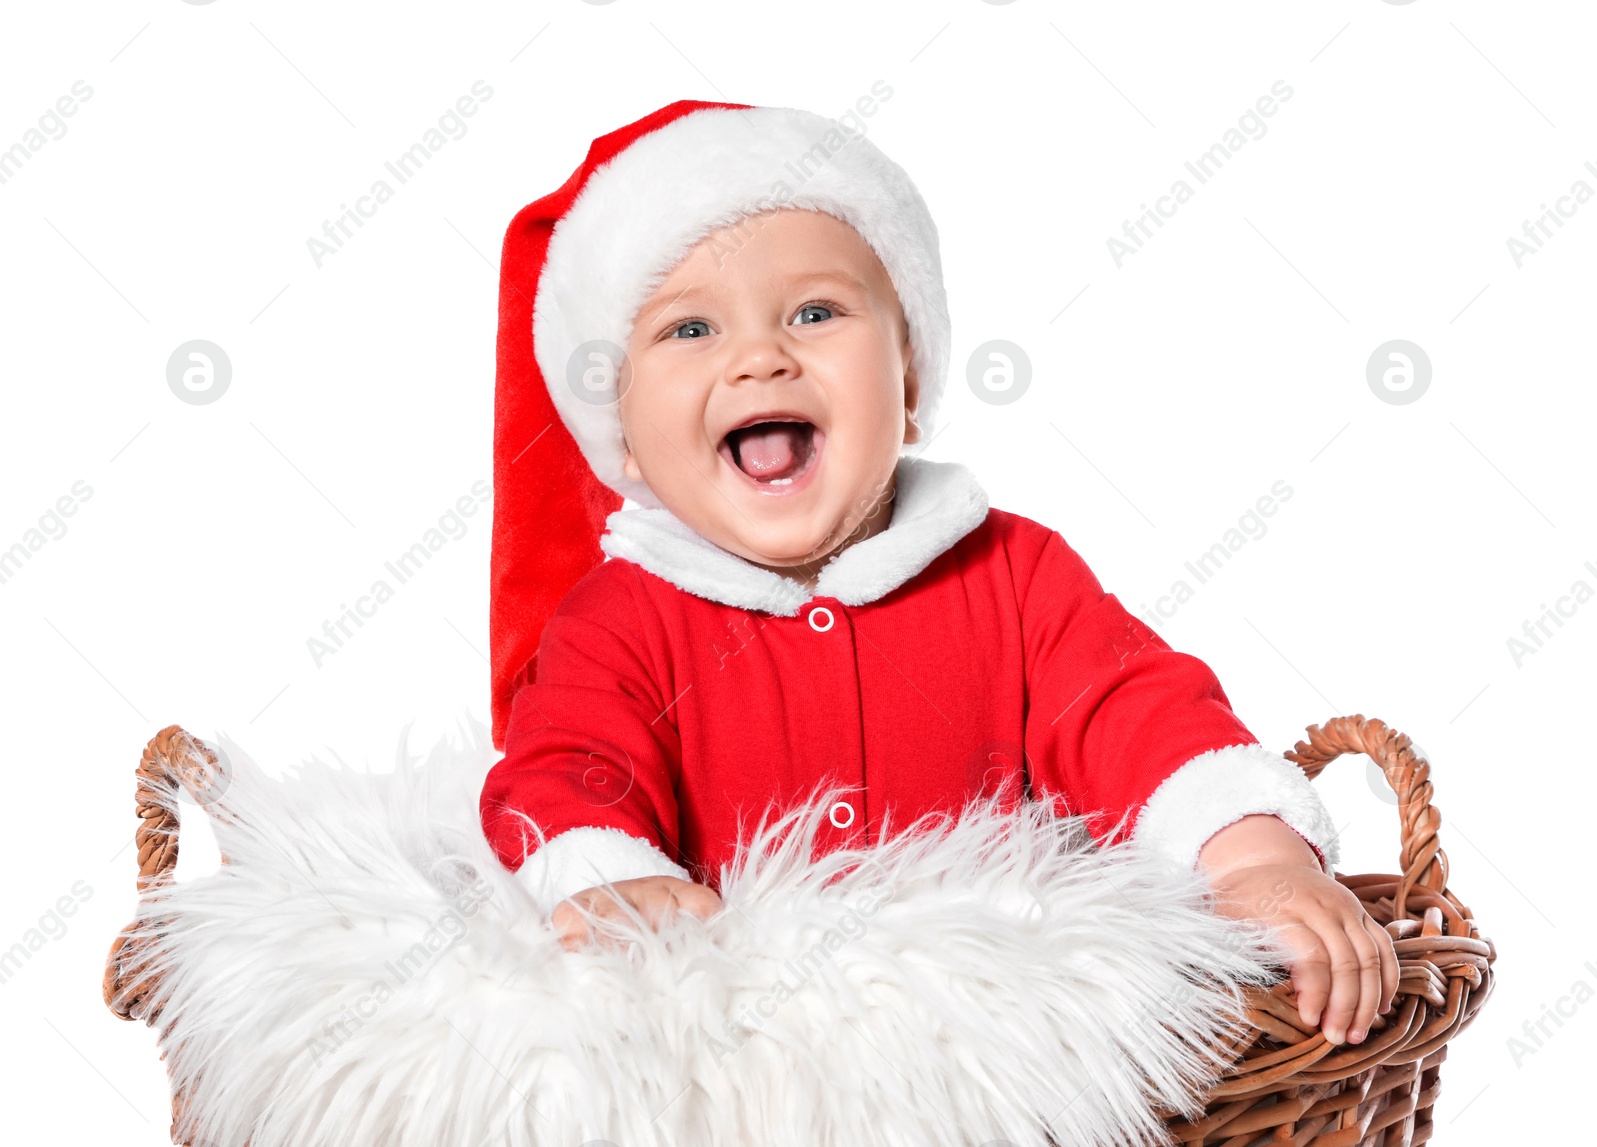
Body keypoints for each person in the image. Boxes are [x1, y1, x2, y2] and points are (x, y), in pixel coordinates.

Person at [478, 99, 1397, 1049]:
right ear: (622, 437)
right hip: (752, 1061)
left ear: (911, 381)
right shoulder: (617, 620)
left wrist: (1251, 855)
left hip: (1013, 1050)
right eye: (689, 331)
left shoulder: (1014, 572)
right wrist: (606, 879)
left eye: (815, 311)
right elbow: (561, 773)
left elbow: (1138, 713)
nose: (759, 357)